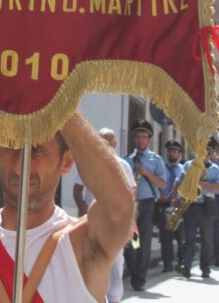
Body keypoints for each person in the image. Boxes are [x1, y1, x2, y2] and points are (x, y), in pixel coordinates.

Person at [0, 110, 134, 303]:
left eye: (37, 151)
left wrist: (59, 102)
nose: (20, 166)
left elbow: (120, 208)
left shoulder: (82, 245)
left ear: (67, 162)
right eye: (11, 147)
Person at [74, 127, 136, 303]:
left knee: (115, 261)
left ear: (114, 144)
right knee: (89, 256)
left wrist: (129, 220)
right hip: (91, 221)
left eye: (108, 141)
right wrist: (82, 206)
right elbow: (77, 189)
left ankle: (114, 298)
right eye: (101, 140)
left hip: (114, 222)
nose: (105, 144)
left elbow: (131, 192)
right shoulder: (88, 163)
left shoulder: (123, 166)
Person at [123, 119, 167, 291]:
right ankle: (134, 270)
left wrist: (146, 173)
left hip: (147, 204)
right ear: (134, 139)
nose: (141, 139)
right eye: (138, 136)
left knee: (144, 241)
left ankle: (139, 278)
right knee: (132, 240)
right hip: (131, 204)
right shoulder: (127, 159)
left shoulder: (155, 160)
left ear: (149, 139)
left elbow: (163, 185)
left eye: (144, 136)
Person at [179, 142, 219, 279]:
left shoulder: (215, 169)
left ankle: (205, 267)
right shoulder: (188, 165)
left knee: (207, 239)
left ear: (210, 155)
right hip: (191, 205)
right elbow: (181, 181)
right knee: (189, 238)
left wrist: (203, 184)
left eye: (207, 153)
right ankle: (186, 266)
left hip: (207, 206)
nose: (203, 155)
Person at [157, 139, 185, 272]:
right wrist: (160, 196)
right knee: (165, 236)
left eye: (174, 151)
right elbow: (157, 184)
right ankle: (167, 264)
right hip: (164, 203)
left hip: (180, 205)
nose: (172, 154)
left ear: (180, 154)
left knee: (181, 236)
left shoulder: (183, 169)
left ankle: (181, 261)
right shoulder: (162, 168)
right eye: (170, 151)